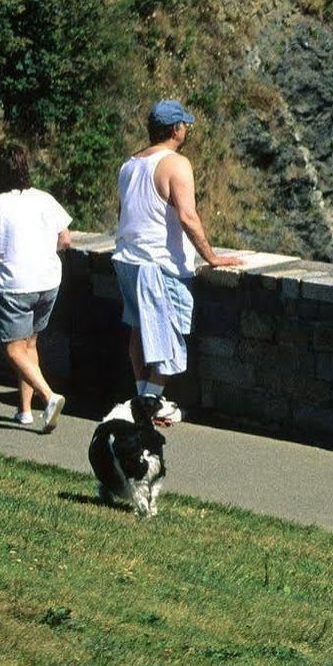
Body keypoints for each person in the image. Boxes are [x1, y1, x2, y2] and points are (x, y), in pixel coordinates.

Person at [112, 101, 244, 424]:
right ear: (175, 129)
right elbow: (187, 216)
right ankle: (149, 406)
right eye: (184, 124)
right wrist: (211, 257)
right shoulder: (176, 164)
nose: (187, 129)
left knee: (139, 330)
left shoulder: (129, 165)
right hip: (159, 264)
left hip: (127, 259)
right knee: (167, 335)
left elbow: (124, 214)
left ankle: (144, 400)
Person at [0, 141, 71, 432]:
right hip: (48, 281)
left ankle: (49, 397)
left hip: (14, 285)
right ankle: (25, 411)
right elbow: (65, 239)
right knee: (29, 343)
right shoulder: (45, 199)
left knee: (12, 349)